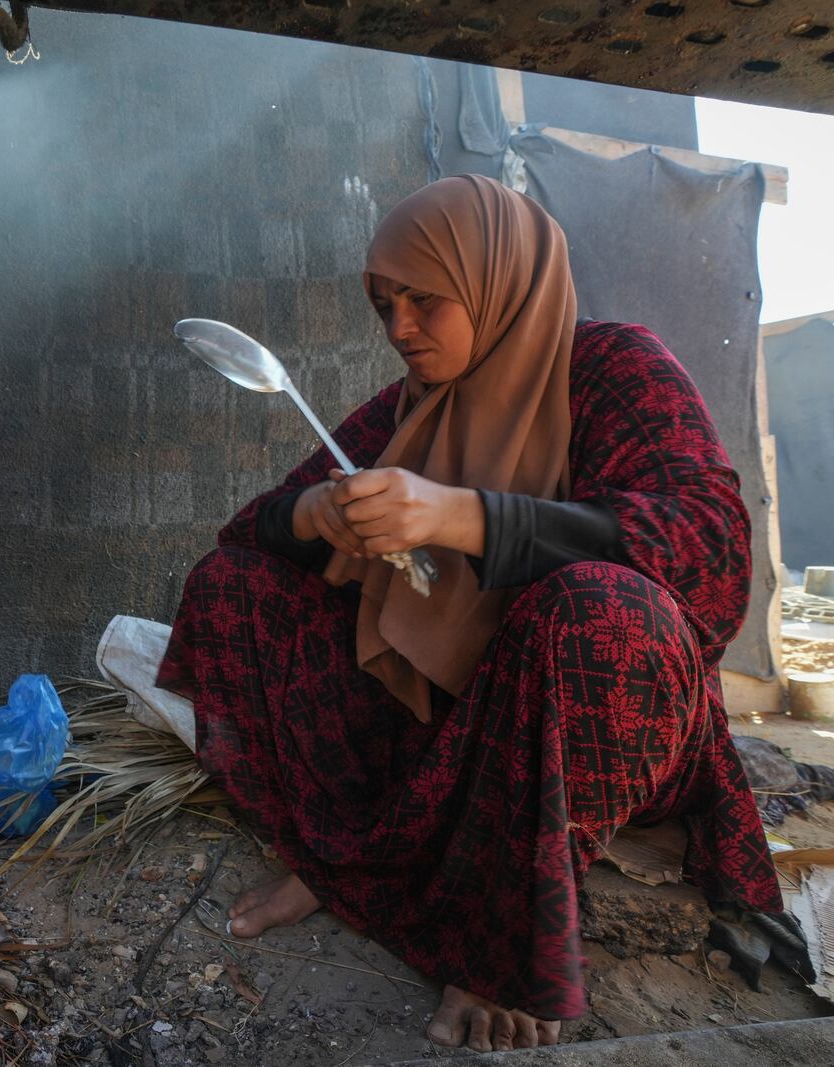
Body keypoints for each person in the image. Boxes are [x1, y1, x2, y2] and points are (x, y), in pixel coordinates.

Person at [156, 174, 781, 1052]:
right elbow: (252, 531)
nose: (399, 328)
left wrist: (463, 516)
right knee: (233, 588)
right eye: (384, 305)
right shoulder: (412, 408)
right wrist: (316, 516)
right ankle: (347, 856)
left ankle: (502, 932)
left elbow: (707, 550)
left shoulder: (613, 367)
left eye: (424, 299)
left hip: (607, 725)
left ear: (498, 281)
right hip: (441, 733)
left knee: (597, 609)